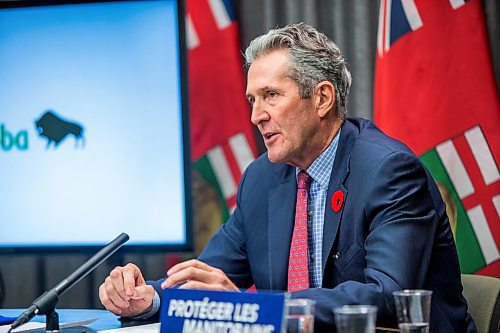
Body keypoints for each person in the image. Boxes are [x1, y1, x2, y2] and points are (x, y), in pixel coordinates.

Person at [99, 23, 476, 332]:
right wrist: (150, 297)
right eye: (252, 100)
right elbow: (209, 274)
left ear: (323, 98)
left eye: (271, 95)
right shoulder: (261, 179)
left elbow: (387, 296)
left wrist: (253, 307)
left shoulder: (389, 171)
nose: (256, 116)